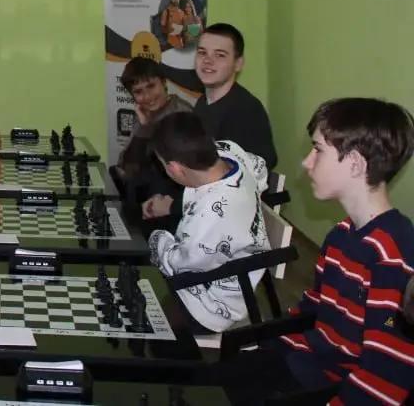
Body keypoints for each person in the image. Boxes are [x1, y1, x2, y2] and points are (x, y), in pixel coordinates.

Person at [228, 98, 414, 405]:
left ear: (355, 163)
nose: (307, 162)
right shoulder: (341, 234)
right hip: (307, 361)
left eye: (318, 149)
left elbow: (385, 376)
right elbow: (315, 306)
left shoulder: (392, 258)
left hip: (335, 388)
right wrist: (274, 346)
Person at [142, 23, 278, 225]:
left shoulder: (245, 111)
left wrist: (172, 206)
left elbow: (234, 186)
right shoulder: (203, 103)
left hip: (221, 223)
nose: (207, 61)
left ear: (238, 63)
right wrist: (160, 197)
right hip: (196, 206)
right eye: (202, 52)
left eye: (220, 55)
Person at [146, 111, 269, 332]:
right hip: (223, 270)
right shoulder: (229, 150)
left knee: (139, 311)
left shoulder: (210, 217)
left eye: (163, 165)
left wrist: (156, 238)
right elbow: (260, 167)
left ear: (174, 168)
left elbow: (179, 263)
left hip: (211, 306)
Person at [113, 56, 192, 197]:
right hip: (143, 194)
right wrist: (144, 127)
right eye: (138, 92)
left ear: (164, 82)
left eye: (151, 86)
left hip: (171, 198)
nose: (147, 96)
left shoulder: (182, 113)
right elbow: (129, 168)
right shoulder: (144, 113)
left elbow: (184, 174)